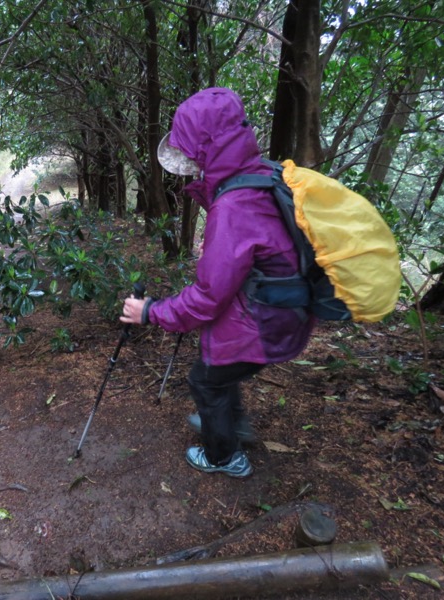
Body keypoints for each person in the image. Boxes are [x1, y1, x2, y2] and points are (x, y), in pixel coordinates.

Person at [120, 88, 314, 478]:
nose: (187, 159)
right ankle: (232, 424)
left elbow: (209, 297)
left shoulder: (234, 207)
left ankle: (224, 456)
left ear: (206, 147)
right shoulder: (262, 173)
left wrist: (151, 311)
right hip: (285, 312)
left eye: (189, 148)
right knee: (221, 370)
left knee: (205, 379)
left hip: (265, 323)